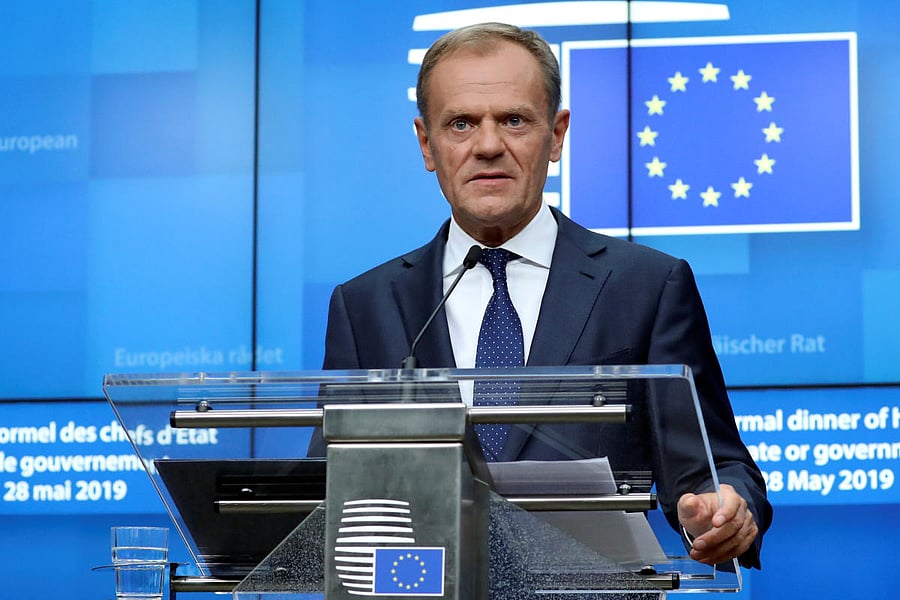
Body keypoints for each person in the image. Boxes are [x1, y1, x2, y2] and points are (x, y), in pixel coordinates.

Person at [317, 22, 771, 569]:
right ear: (426, 144)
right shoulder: (365, 306)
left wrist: (724, 511)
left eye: (514, 120)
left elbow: (712, 466)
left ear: (556, 135)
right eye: (461, 123)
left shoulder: (647, 286)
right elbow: (329, 493)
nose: (488, 146)